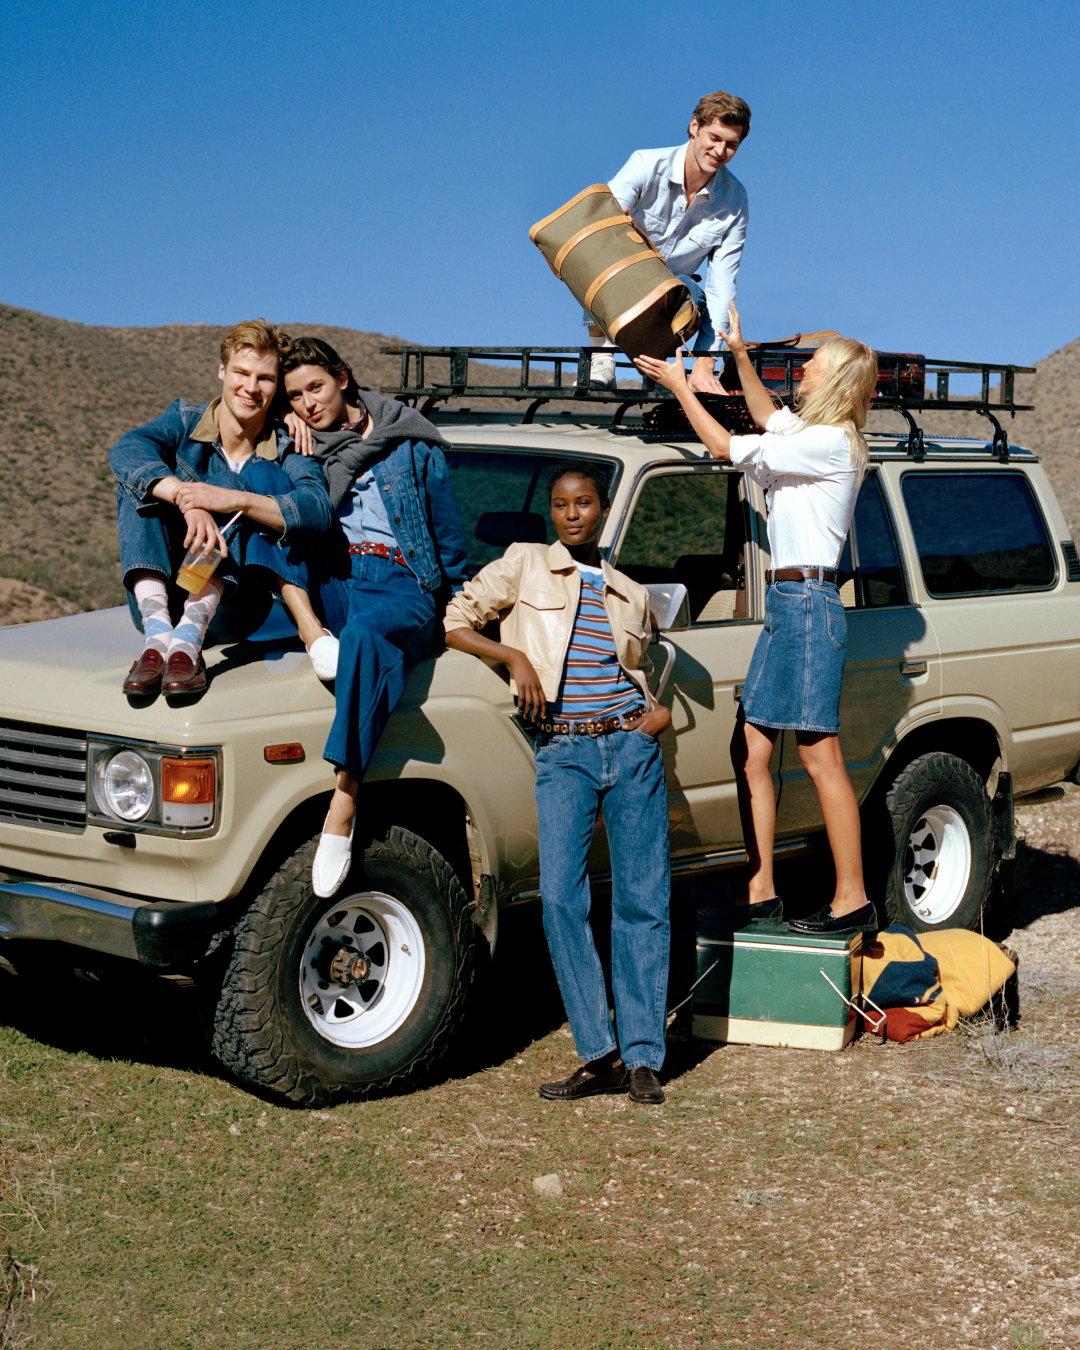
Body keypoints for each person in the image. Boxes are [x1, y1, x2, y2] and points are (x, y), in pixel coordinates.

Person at [635, 303, 879, 935]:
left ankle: (852, 900)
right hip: (788, 607)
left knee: (820, 757)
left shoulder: (828, 443)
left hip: (809, 607)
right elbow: (767, 416)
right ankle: (760, 887)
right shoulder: (805, 433)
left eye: (810, 369)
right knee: (751, 749)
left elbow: (725, 445)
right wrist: (739, 352)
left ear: (832, 382)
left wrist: (681, 388)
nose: (799, 374)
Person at [443, 462, 673, 1104]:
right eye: (563, 504)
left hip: (631, 747)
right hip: (564, 751)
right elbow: (455, 620)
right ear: (553, 511)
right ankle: (598, 1053)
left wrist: (656, 716)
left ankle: (644, 1057)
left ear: (603, 511)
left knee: (642, 903)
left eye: (585, 503)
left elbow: (641, 666)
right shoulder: (523, 563)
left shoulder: (629, 590)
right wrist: (513, 656)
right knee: (562, 902)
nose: (573, 513)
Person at [280, 337, 468, 898]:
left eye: (315, 387)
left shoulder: (410, 443)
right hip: (339, 581)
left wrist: (459, 616)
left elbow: (450, 541)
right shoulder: (302, 448)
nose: (307, 403)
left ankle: (344, 799)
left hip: (401, 584)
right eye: (294, 396)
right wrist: (293, 454)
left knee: (365, 635)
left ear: (342, 378)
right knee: (266, 519)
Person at [110, 320, 333, 697]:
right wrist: (186, 497)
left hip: (234, 605)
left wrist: (234, 499)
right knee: (140, 481)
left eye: (264, 378)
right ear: (222, 371)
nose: (250, 387)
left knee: (228, 485)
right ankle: (158, 635)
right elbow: (127, 449)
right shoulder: (184, 420)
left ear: (277, 386)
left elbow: (316, 509)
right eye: (241, 373)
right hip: (166, 596)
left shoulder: (286, 445)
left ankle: (188, 638)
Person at [587, 89, 751, 394]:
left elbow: (722, 286)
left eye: (731, 145)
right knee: (596, 247)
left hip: (672, 302)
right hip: (620, 283)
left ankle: (657, 362)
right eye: (714, 138)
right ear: (694, 127)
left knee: (686, 288)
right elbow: (603, 220)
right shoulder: (646, 164)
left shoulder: (735, 199)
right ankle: (602, 354)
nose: (720, 150)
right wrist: (614, 215)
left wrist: (705, 363)